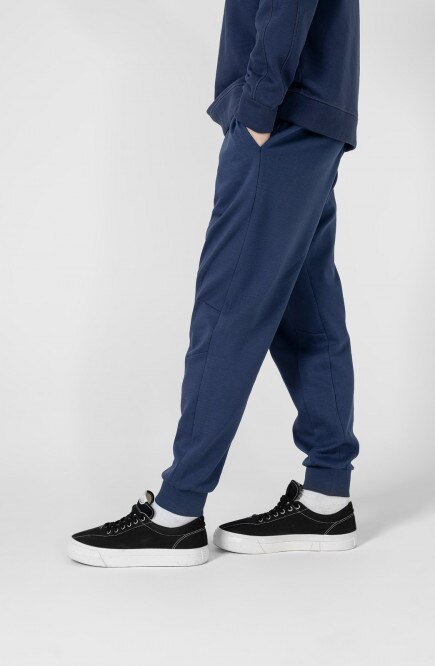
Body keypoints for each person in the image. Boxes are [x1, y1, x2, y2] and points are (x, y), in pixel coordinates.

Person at [68, 0, 360, 567]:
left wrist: (257, 109)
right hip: (313, 115)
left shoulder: (269, 114)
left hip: (283, 116)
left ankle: (176, 514)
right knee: (307, 309)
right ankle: (327, 496)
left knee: (228, 308)